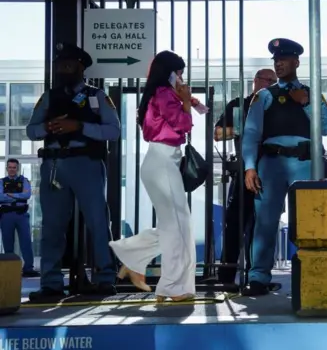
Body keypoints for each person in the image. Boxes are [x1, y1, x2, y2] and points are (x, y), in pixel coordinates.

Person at [26, 43, 120, 301]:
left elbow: (114, 130)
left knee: (98, 222)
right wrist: (48, 127)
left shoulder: (97, 96)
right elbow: (31, 130)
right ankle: (51, 284)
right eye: (59, 65)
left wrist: (78, 126)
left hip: (86, 163)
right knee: (52, 226)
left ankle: (105, 280)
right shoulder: (49, 96)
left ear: (81, 67)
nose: (62, 69)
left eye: (68, 64)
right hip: (54, 166)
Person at [242, 38, 327, 296]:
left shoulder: (312, 93)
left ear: (296, 62)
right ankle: (258, 277)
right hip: (271, 164)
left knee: (310, 221)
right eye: (275, 60)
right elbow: (251, 134)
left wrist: (306, 102)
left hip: (305, 163)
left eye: (283, 59)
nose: (278, 64)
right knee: (266, 222)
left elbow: (326, 127)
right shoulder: (264, 96)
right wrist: (250, 167)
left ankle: (314, 273)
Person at [109, 50, 197, 302]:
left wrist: (186, 100)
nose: (181, 77)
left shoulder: (155, 94)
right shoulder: (164, 94)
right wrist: (186, 102)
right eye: (179, 72)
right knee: (178, 227)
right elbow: (183, 124)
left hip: (159, 161)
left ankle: (133, 259)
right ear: (170, 72)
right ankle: (172, 287)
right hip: (163, 161)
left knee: (176, 226)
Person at [215, 68, 277, 284]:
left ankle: (256, 276)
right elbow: (217, 133)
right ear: (255, 81)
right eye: (266, 79)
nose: (270, 84)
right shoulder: (238, 105)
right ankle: (226, 275)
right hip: (243, 172)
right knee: (234, 225)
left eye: (273, 80)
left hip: (271, 173)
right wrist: (242, 128)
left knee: (263, 226)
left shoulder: (277, 106)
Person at [0, 159, 39, 277]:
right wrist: (17, 196)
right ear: (7, 169)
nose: (12, 169)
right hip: (6, 215)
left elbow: (27, 195)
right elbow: (0, 197)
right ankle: (10, 268)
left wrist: (10, 195)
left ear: (17, 168)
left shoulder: (24, 181)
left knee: (26, 242)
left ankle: (28, 269)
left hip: (21, 215)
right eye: (10, 167)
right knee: (8, 243)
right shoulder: (2, 182)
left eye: (14, 167)